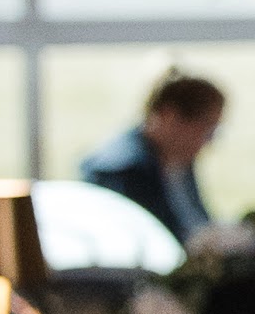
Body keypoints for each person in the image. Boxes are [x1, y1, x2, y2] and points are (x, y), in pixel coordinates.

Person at [81, 72, 224, 249]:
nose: (208, 143)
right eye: (207, 131)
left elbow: (198, 222)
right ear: (170, 116)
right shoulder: (121, 171)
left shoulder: (177, 160)